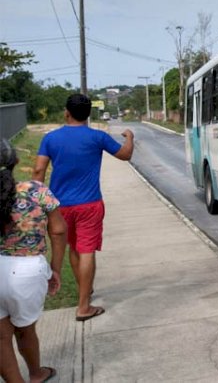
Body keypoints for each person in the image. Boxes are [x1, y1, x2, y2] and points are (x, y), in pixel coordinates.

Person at [32, 93, 134, 322]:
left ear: (66, 112)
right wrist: (129, 137)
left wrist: (36, 198)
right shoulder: (97, 137)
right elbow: (125, 155)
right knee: (86, 250)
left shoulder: (51, 139)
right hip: (89, 204)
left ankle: (83, 295)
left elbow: (38, 170)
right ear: (88, 115)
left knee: (75, 250)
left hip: (60, 207)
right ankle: (84, 305)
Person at [0, 138, 66, 383]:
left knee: (0, 337)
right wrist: (55, 269)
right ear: (15, 161)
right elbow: (58, 230)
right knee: (25, 330)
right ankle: (36, 374)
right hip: (27, 270)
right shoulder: (35, 190)